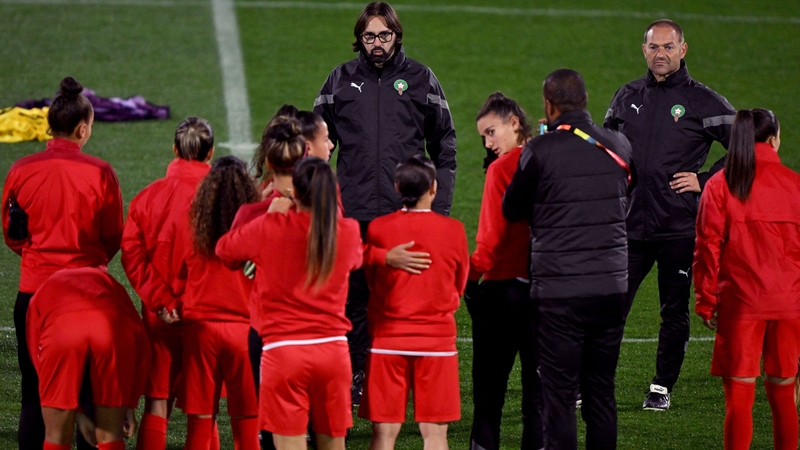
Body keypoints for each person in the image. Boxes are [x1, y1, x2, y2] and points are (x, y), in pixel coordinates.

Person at [313, 1, 456, 401]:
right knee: (354, 299)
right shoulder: (339, 81)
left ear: (397, 35)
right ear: (359, 38)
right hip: (353, 211)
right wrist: (322, 202)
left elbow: (444, 143)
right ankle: (360, 375)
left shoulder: (421, 79)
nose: (377, 43)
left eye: (384, 35)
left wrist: (438, 207)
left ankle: (396, 375)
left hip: (404, 213)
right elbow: (317, 145)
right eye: (369, 36)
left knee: (402, 299)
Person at [604, 19, 736, 411]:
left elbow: (747, 145)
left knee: (673, 312)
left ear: (683, 50)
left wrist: (706, 179)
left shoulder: (704, 102)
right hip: (628, 225)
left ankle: (661, 388)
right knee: (610, 307)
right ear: (644, 50)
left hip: (678, 228)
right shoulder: (627, 96)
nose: (660, 54)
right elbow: (608, 145)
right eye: (653, 47)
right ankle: (592, 383)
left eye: (668, 47)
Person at [503, 69, 633, 450]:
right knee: (601, 393)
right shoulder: (619, 144)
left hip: (560, 292)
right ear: (586, 99)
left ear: (548, 105)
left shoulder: (540, 150)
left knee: (559, 398)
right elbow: (627, 189)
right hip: (611, 289)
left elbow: (513, 208)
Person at [2, 76, 124, 450]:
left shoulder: (21, 170)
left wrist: (39, 258)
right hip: (85, 298)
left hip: (34, 296)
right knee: (89, 396)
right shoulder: (99, 172)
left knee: (34, 395)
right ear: (83, 128)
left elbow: (12, 232)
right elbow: (112, 236)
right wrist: (88, 261)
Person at [216, 157, 363, 450]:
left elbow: (225, 249)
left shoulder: (272, 227)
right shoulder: (346, 232)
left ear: (294, 193)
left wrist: (270, 215)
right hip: (333, 354)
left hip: (283, 355)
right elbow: (356, 258)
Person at [693, 108, 800, 450]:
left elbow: (707, 248)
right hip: (789, 306)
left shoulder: (719, 186)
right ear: (772, 140)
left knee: (739, 396)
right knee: (783, 395)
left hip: (740, 306)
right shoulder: (795, 185)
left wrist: (706, 300)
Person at [359, 155, 469, 450]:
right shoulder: (454, 230)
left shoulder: (379, 228)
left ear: (397, 187)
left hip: (388, 340)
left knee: (383, 435)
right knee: (435, 436)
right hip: (437, 342)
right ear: (434, 188)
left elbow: (371, 280)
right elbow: (460, 285)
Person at [121, 117, 215, 450]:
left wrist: (162, 302)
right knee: (204, 410)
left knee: (157, 403)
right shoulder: (221, 199)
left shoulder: (148, 197)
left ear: (175, 150)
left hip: (159, 317)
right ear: (211, 153)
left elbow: (131, 256)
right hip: (205, 318)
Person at [466, 92, 541, 450]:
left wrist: (466, 276)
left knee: (489, 392)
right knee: (538, 395)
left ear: (514, 123)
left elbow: (490, 242)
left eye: (491, 132)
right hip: (546, 293)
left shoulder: (502, 169)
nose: (488, 143)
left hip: (502, 293)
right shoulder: (549, 157)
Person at [178, 156, 260, 450]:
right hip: (244, 332)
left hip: (201, 332)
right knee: (247, 426)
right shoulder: (256, 230)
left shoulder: (194, 228)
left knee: (200, 424)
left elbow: (180, 274)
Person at [26, 267, 150, 450]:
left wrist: (75, 411)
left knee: (56, 435)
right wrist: (129, 404)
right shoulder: (112, 285)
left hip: (62, 332)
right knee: (110, 434)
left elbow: (38, 356)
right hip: (110, 327)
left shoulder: (44, 290)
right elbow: (141, 344)